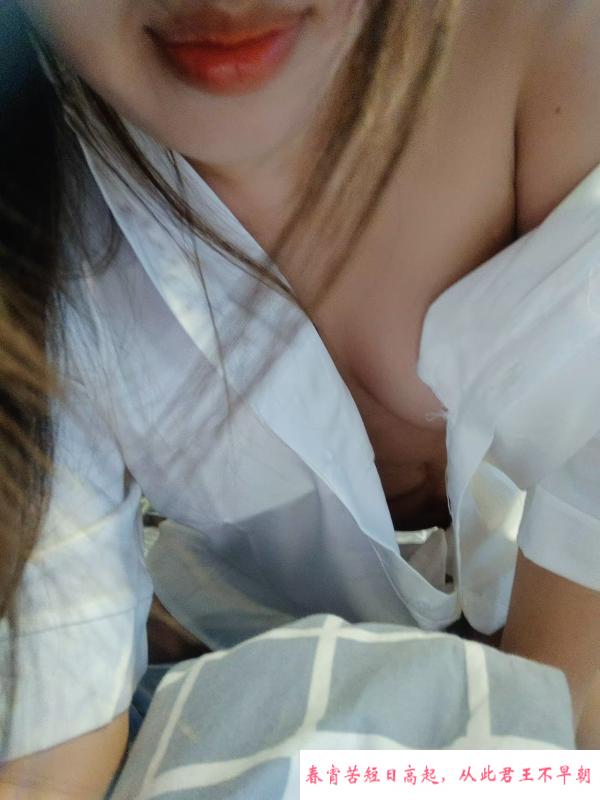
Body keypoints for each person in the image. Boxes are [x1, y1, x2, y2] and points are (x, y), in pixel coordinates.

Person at [0, 0, 599, 795]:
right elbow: (49, 737)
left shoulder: (567, 42)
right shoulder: (30, 198)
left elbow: (575, 704)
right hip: (237, 647)